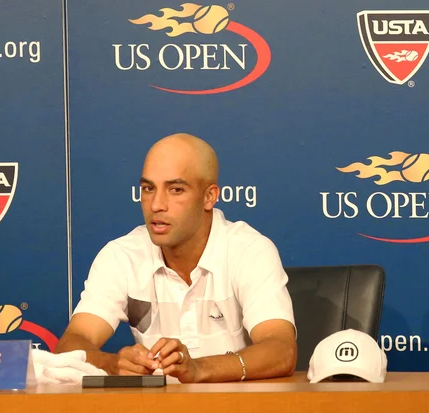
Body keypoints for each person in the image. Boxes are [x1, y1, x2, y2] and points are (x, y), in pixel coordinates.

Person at [55, 133, 297, 382]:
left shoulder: (249, 250)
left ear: (209, 197)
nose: (156, 204)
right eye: (148, 188)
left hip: (240, 412)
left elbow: (281, 350)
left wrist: (199, 369)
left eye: (176, 190)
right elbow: (71, 346)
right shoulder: (121, 256)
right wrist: (111, 364)